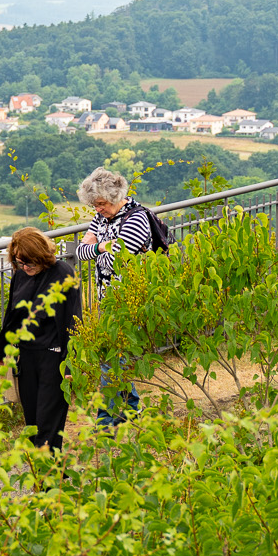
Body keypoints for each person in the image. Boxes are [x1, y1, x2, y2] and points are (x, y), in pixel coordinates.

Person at [75, 168, 158, 423]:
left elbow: (115, 262)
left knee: (111, 359)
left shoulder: (136, 219)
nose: (98, 209)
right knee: (113, 358)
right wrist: (102, 246)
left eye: (101, 203)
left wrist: (97, 248)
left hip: (130, 301)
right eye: (95, 205)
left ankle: (105, 420)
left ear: (115, 196)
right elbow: (80, 252)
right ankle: (131, 407)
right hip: (107, 300)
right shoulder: (101, 218)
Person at [0, 226, 79, 451]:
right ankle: (42, 470)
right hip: (26, 357)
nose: (25, 267)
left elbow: (73, 321)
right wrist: (0, 347)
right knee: (31, 423)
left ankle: (49, 471)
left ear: (41, 255)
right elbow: (13, 315)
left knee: (47, 426)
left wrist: (70, 363)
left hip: (54, 358)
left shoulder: (63, 273)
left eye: (29, 262)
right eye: (20, 262)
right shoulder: (21, 274)